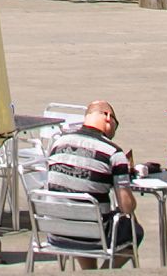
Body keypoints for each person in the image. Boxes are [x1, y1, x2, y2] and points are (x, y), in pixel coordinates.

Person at [36, 102, 139, 254]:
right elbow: (126, 207)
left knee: (79, 211)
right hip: (95, 236)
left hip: (55, 232)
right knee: (134, 230)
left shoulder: (58, 143)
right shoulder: (114, 153)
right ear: (108, 117)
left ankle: (88, 274)